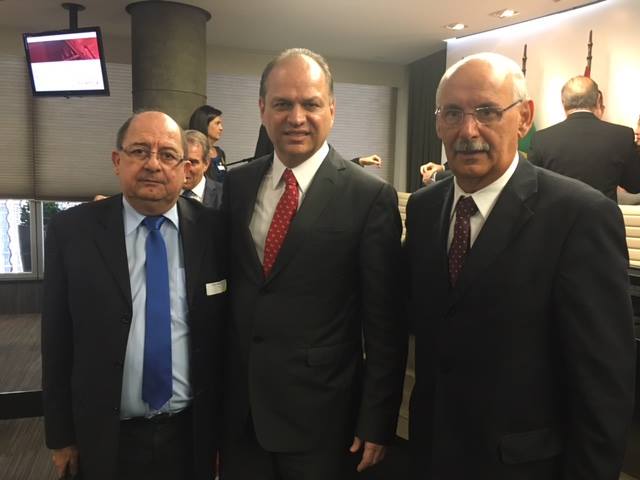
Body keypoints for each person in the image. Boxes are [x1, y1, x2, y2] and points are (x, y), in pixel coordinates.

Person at [404, 52, 635, 479]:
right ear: (437, 123)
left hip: (524, 466)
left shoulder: (580, 215)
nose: (468, 130)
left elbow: (604, 383)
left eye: (487, 111)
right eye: (452, 113)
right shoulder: (423, 209)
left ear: (524, 118)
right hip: (431, 453)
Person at [221, 48, 407, 480]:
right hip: (240, 413)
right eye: (282, 104)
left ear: (332, 109)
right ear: (262, 110)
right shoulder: (236, 185)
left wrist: (377, 419)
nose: (296, 117)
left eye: (311, 104)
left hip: (323, 418)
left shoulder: (369, 197)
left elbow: (385, 325)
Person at [42, 111, 227, 480]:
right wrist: (61, 436)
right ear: (117, 161)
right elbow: (56, 340)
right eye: (140, 151)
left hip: (191, 435)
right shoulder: (73, 231)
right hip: (105, 435)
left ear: (185, 169)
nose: (153, 164)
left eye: (168, 155)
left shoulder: (216, 231)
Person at [528, 76, 640, 201]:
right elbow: (635, 185)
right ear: (598, 100)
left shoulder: (541, 140)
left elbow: (531, 189)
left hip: (557, 213)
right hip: (603, 213)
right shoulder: (623, 136)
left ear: (563, 102)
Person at [183, 129, 223, 209]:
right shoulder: (163, 193)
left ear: (206, 163)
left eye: (193, 162)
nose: (185, 168)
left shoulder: (224, 196)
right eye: (182, 161)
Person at [189, 105, 227, 183]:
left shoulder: (220, 153)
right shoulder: (193, 153)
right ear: (205, 124)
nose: (221, 128)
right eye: (217, 123)